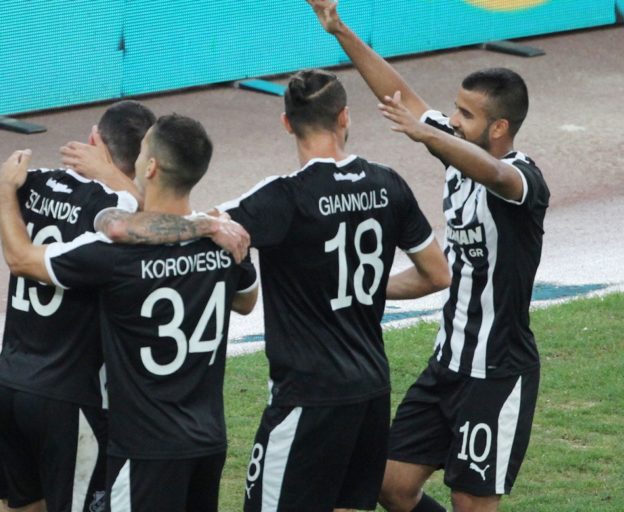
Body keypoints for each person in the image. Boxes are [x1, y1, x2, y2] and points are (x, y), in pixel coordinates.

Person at [82, 69, 451, 510]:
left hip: (307, 398)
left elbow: (178, 229)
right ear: (344, 117)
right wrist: (362, 288)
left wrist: (128, 189)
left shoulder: (284, 198)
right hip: (371, 391)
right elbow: (437, 274)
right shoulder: (389, 183)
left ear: (286, 123)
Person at [0, 101, 241, 512]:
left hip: (8, 383)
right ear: (148, 164)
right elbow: (154, 220)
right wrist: (208, 222)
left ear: (93, 140)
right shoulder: (124, 211)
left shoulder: (37, 183)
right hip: (72, 399)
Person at [308, 1, 550, 510]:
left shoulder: (524, 181)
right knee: (390, 485)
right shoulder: (456, 149)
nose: (453, 121)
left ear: (499, 128)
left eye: (466, 115)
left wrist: (428, 134)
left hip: (497, 372)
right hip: (447, 364)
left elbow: (496, 174)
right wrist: (339, 30)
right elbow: (397, 93)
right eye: (454, 111)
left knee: (470, 501)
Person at [0, 113, 258, 511]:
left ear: (149, 167)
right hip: (207, 443)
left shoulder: (116, 256)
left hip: (144, 448)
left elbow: (21, 258)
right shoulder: (224, 243)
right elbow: (246, 300)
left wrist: (4, 194)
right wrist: (205, 228)